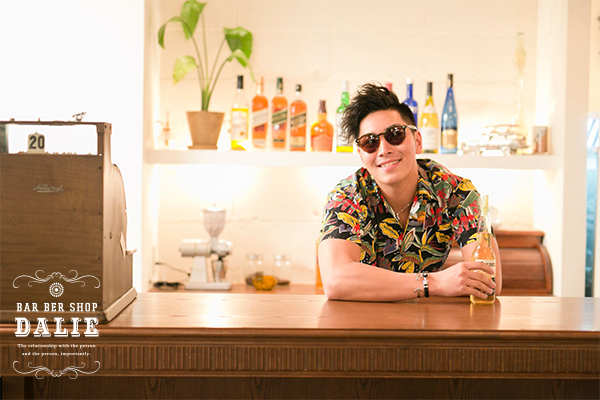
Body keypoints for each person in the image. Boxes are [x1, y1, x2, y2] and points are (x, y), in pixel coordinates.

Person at [318, 83, 501, 301]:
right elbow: (335, 280)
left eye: (395, 135)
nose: (384, 150)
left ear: (418, 141)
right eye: (370, 142)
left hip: (426, 319)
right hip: (360, 319)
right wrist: (433, 283)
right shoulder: (346, 198)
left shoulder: (456, 193)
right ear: (361, 155)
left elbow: (489, 281)